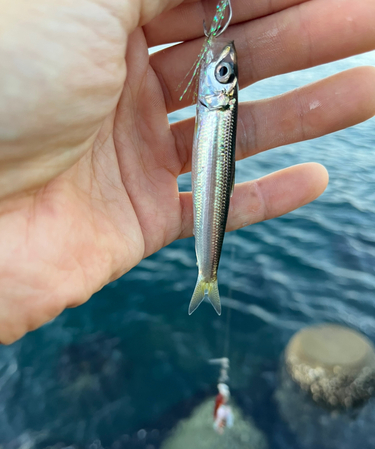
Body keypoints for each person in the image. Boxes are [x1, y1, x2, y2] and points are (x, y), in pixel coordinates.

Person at [0, 0, 374, 343]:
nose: (218, 69)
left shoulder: (216, 106)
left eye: (223, 72)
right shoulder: (213, 103)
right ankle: (206, 276)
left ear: (222, 92)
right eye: (224, 71)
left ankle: (206, 276)